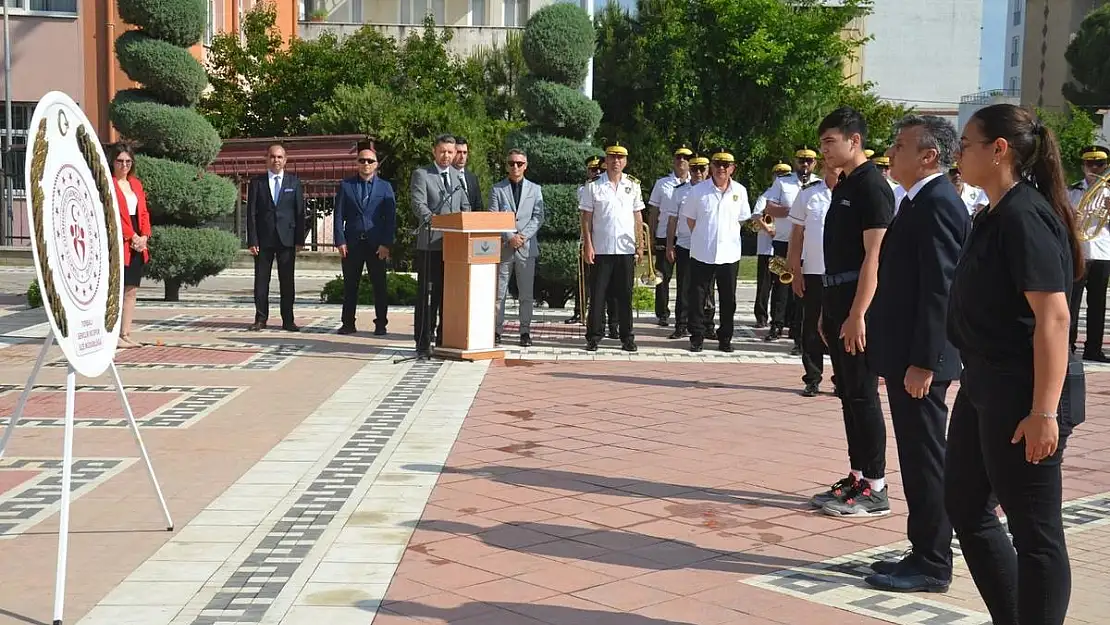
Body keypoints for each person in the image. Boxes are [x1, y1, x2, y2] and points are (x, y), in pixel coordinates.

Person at [945, 103, 1085, 625]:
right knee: (964, 504)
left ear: (998, 150)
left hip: (1025, 392)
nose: (958, 153)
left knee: (1036, 534)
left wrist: (1044, 412)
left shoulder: (1026, 216)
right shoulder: (993, 213)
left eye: (966, 144)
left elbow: (1053, 317)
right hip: (984, 382)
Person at [864, 115, 970, 593]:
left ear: (929, 155)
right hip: (907, 356)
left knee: (926, 459)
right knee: (916, 457)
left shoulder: (938, 203)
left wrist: (925, 361)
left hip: (921, 362)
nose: (891, 151)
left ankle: (932, 562)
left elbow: (940, 290)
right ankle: (922, 549)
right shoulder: (917, 200)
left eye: (900, 145)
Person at [810, 106, 894, 517]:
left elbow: (873, 257)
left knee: (863, 394)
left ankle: (876, 486)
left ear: (854, 140)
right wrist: (829, 313)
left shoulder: (872, 187)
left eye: (830, 142)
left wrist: (858, 314)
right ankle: (857, 475)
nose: (824, 149)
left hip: (859, 302)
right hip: (837, 297)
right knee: (847, 394)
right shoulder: (844, 186)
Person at [681, 149, 751, 353]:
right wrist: (705, 237)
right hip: (703, 251)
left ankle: (725, 337)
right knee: (697, 297)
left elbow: (742, 218)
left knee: (728, 298)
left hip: (729, 253)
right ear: (711, 167)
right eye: (717, 164)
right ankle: (697, 336)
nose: (721, 168)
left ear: (732, 168)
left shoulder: (740, 191)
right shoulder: (698, 191)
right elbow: (691, 219)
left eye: (726, 165)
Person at [580, 142, 644, 352]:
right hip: (602, 248)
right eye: (612, 157)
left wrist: (640, 244)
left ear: (625, 161)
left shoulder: (633, 185)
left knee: (625, 294)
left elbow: (637, 215)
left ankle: (627, 337)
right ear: (605, 160)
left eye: (620, 158)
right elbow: (586, 218)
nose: (616, 161)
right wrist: (588, 244)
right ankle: (594, 336)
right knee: (598, 294)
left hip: (625, 249)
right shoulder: (594, 185)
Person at [411, 134, 472, 357]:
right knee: (427, 296)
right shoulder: (422, 174)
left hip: (454, 248)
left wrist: (467, 220)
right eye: (443, 151)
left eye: (451, 152)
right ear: (434, 152)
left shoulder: (458, 177)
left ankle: (445, 339)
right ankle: (423, 342)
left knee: (448, 295)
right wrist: (438, 221)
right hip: (430, 244)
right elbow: (419, 204)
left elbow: (465, 205)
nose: (447, 156)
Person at [787, 163, 841, 397]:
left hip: (843, 274)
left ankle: (842, 378)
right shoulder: (809, 193)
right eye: (829, 163)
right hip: (813, 270)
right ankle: (812, 377)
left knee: (840, 328)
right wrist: (795, 270)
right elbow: (796, 234)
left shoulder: (854, 193)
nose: (834, 168)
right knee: (810, 326)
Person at [333, 141, 395, 336]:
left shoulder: (385, 187)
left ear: (376, 164)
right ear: (357, 163)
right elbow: (338, 215)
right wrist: (340, 241)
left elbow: (390, 218)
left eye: (370, 161)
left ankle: (381, 323)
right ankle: (348, 323)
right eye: (362, 160)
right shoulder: (346, 185)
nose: (366, 164)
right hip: (352, 243)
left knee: (379, 285)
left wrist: (386, 243)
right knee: (350, 285)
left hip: (376, 244)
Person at [246, 142, 306, 332]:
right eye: (272, 156)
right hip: (263, 240)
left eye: (280, 157)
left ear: (285, 160)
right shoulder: (257, 183)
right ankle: (260, 318)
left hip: (286, 239)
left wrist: (299, 239)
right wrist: (252, 240)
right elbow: (251, 213)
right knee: (261, 281)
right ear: (266, 159)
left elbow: (299, 212)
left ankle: (288, 320)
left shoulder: (293, 183)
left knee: (287, 281)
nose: (276, 160)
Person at [760, 147, 816, 344]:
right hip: (783, 242)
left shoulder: (819, 184)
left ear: (815, 163)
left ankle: (796, 328)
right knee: (780, 285)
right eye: (802, 161)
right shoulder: (782, 182)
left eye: (809, 161)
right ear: (796, 162)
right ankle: (776, 325)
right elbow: (769, 207)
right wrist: (794, 211)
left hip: (808, 244)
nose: (805, 165)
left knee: (802, 287)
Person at [490, 148, 545, 347]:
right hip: (505, 247)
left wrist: (522, 236)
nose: (515, 167)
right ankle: (496, 330)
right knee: (499, 293)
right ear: (506, 165)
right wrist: (509, 236)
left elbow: (538, 216)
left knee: (526, 294)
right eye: (512, 163)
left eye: (519, 164)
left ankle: (525, 331)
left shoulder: (535, 189)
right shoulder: (498, 189)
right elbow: (494, 216)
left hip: (526, 247)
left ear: (526, 166)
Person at [1068, 144, 1110, 361]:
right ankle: (1069, 346)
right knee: (1073, 301)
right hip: (1079, 251)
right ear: (1083, 165)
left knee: (1097, 304)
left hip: (1103, 252)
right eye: (1089, 163)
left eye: (1099, 164)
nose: (1094, 168)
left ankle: (1094, 348)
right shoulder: (1073, 190)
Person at [108, 143, 152, 349]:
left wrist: (144, 236)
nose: (124, 165)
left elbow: (143, 212)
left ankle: (125, 333)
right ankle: (112, 333)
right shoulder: (109, 184)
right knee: (116, 288)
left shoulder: (136, 184)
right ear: (113, 162)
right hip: (121, 240)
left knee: (132, 289)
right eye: (120, 161)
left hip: (137, 240)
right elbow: (113, 215)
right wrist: (132, 236)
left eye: (128, 161)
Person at [569, 157, 619, 333]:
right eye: (593, 170)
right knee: (589, 283)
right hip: (590, 240)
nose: (597, 173)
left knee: (612, 287)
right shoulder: (586, 188)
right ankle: (581, 313)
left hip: (608, 244)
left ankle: (614, 323)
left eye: (600, 170)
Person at [664, 155, 710, 339]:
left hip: (707, 246)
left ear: (708, 170)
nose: (698, 173)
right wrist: (669, 244)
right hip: (685, 243)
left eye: (702, 169)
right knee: (684, 287)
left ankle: (707, 324)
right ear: (689, 170)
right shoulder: (680, 191)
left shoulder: (713, 190)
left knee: (707, 288)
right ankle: (681, 324)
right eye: (694, 169)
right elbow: (672, 219)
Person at [647, 145, 692, 326]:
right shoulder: (662, 183)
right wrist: (650, 236)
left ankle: (684, 314)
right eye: (678, 157)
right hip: (664, 234)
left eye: (685, 158)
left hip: (684, 236)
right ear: (673, 160)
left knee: (685, 278)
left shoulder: (696, 184)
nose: (681, 160)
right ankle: (662, 313)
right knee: (662, 277)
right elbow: (653, 211)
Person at [453, 136, 484, 211]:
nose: (462, 156)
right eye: (458, 152)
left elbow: (478, 206)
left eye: (465, 152)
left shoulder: (472, 178)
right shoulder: (444, 177)